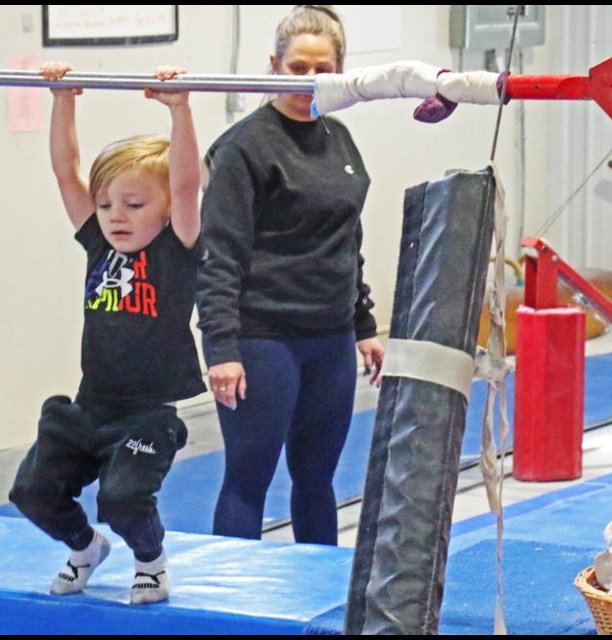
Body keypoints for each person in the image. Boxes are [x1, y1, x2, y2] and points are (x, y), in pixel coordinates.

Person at [8, 62, 204, 604]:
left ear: (166, 212)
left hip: (146, 412)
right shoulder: (99, 243)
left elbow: (187, 183)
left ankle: (152, 561)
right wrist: (62, 100)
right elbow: (66, 172)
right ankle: (84, 547)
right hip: (89, 405)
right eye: (106, 205)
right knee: (30, 491)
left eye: (134, 205)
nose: (115, 216)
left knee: (122, 499)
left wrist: (180, 108)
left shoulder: (176, 250)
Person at [197, 5, 383, 545]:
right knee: (248, 478)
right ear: (273, 66)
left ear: (339, 70)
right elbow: (219, 255)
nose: (308, 80)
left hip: (330, 337)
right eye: (297, 67)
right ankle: (231, 607)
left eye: (321, 68)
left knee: (317, 478)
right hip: (262, 338)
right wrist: (222, 349)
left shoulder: (341, 139)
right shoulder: (243, 148)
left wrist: (364, 324)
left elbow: (349, 238)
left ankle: (321, 603)